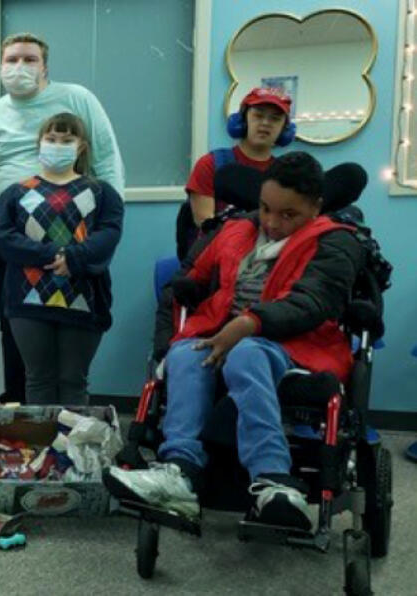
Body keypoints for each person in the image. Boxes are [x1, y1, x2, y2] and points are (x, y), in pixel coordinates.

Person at [104, 152, 364, 532]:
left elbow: (313, 302)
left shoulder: (335, 241)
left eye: (288, 214)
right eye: (265, 208)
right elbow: (191, 276)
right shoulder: (234, 230)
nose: (272, 223)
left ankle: (274, 479)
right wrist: (188, 302)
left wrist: (248, 323)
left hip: (295, 346)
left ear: (316, 207)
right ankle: (181, 471)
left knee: (247, 352)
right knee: (186, 353)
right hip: (224, 332)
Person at [0, 32, 125, 404]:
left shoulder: (76, 99)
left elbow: (106, 157)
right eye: (11, 60)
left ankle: (69, 419)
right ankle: (22, 416)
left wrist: (106, 228)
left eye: (29, 59)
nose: (18, 67)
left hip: (77, 238)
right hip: (14, 242)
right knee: (17, 326)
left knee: (74, 331)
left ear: (45, 66)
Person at [0, 112, 123, 406]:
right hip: (28, 303)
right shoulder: (14, 194)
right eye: (51, 139)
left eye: (67, 139)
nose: (57, 144)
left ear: (81, 147)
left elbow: (107, 236)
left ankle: (72, 450)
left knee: (73, 381)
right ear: (39, 143)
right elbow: (3, 238)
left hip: (83, 301)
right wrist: (53, 255)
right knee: (37, 380)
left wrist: (75, 258)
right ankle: (43, 451)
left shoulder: (102, 193)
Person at [178, 87, 294, 259]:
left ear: (284, 130)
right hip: (216, 258)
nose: (265, 123)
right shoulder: (211, 164)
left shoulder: (285, 173)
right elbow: (205, 225)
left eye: (275, 119)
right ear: (243, 120)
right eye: (258, 115)